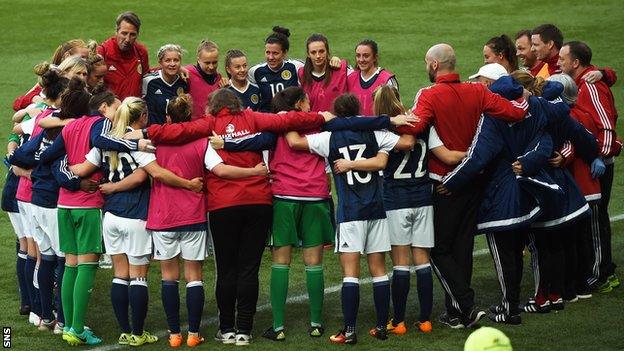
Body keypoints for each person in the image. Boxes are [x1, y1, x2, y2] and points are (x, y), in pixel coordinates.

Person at [395, 43, 529, 328]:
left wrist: (390, 120)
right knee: (462, 248)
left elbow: (414, 127)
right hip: (475, 182)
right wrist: (525, 93)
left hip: (443, 184)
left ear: (433, 65)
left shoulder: (429, 95)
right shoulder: (478, 91)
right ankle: (455, 313)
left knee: (438, 249)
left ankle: (466, 306)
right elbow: (515, 113)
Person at [286, 93, 414, 344]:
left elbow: (294, 142)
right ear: (359, 110)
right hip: (376, 210)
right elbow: (400, 148)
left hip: (350, 213)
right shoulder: (377, 134)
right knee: (378, 271)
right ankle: (380, 327)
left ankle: (350, 330)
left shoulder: (328, 137)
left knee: (350, 273)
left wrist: (289, 116)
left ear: (337, 112)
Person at [39, 83, 145, 345]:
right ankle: (76, 327)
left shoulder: (69, 127)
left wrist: (70, 174)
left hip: (64, 205)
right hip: (88, 205)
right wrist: (136, 144)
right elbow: (99, 143)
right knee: (86, 265)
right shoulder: (98, 124)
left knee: (71, 265)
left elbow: (49, 157)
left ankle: (67, 326)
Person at [367, 86, 438, 335]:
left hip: (396, 201)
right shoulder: (420, 124)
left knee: (400, 263)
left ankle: (398, 322)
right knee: (422, 261)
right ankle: (426, 320)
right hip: (423, 198)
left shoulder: (381, 131)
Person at [558, 41, 621, 292]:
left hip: (598, 165)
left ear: (575, 63)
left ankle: (601, 273)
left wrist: (600, 155)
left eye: (562, 59)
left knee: (595, 222)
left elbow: (606, 125)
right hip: (591, 161)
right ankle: (593, 269)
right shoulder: (584, 81)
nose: (559, 63)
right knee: (591, 222)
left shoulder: (590, 87)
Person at [248, 26, 341, 112]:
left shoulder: (296, 66)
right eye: (267, 52)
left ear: (284, 53)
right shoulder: (255, 71)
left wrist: (333, 60)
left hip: (292, 119)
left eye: (275, 53)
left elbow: (317, 63)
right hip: (267, 120)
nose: (271, 57)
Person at [13, 39, 89, 111]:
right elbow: (18, 103)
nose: (86, 61)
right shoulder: (53, 77)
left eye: (87, 58)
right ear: (67, 56)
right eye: (82, 57)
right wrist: (37, 100)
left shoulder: (88, 72)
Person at [97, 11, 149, 100]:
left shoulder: (141, 52)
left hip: (134, 110)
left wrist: (172, 69)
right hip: (111, 111)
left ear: (138, 34)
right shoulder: (103, 51)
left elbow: (147, 77)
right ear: (116, 31)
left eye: (132, 35)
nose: (127, 39)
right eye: (124, 33)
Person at [299, 33, 348, 112]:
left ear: (327, 52)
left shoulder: (341, 69)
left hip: (336, 123)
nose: (318, 56)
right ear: (308, 54)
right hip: (313, 122)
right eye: (313, 52)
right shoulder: (302, 74)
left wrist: (337, 59)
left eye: (321, 51)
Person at [347, 39, 398, 115]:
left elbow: (395, 112)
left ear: (375, 57)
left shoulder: (387, 80)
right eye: (358, 55)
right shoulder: (350, 78)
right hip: (354, 126)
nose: (361, 60)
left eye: (366, 56)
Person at [142, 44, 188, 125]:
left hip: (175, 132)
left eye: (176, 60)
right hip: (153, 133)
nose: (172, 64)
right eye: (168, 60)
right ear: (160, 62)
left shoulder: (183, 82)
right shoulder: (148, 81)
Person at [186, 40, 228, 119]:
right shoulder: (187, 73)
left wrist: (225, 91)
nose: (211, 67)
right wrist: (179, 69)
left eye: (214, 62)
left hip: (213, 127)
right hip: (193, 128)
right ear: (198, 60)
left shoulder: (220, 80)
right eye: (207, 63)